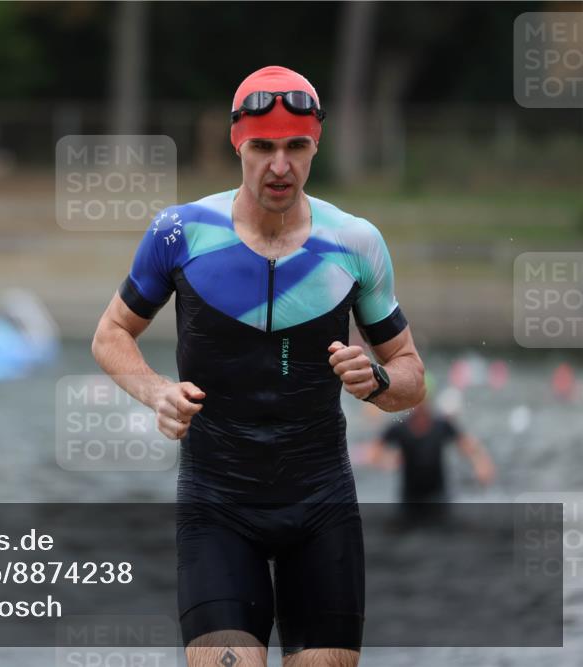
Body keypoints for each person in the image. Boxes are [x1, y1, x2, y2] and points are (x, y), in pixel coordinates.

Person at [92, 66, 426, 667]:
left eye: (296, 146)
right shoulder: (181, 233)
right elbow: (111, 334)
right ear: (236, 144)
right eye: (263, 147)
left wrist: (376, 382)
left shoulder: (355, 243)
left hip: (321, 503)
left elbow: (410, 377)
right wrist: (157, 391)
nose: (280, 166)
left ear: (316, 146)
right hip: (217, 505)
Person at [361, 384, 495, 507]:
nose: (421, 405)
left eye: (424, 399)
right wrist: (388, 461)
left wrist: (481, 464)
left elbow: (468, 445)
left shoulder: (441, 425)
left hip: (439, 496)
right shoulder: (400, 428)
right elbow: (373, 453)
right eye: (417, 400)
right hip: (410, 499)